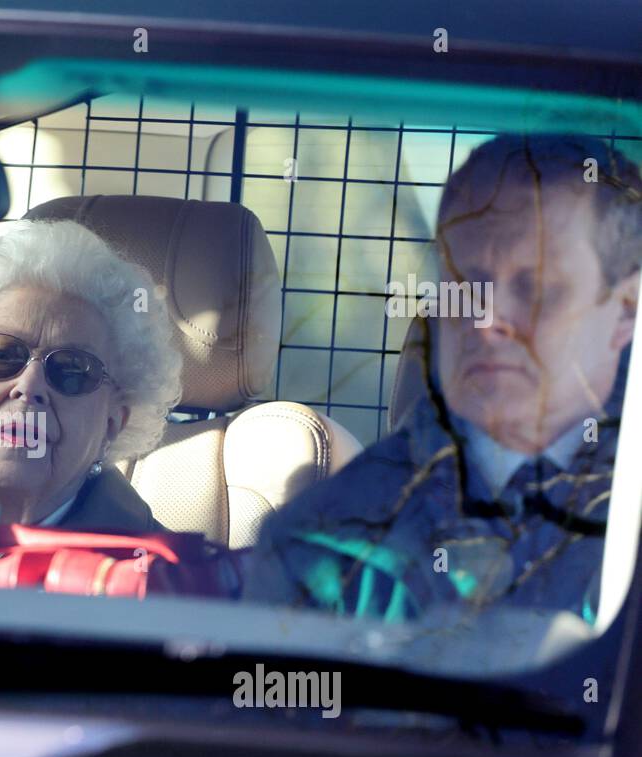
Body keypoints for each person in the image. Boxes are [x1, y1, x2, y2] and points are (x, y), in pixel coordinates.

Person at [243, 134, 640, 623]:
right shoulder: (319, 548)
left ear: (624, 311)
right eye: (466, 284)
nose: (486, 317)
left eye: (535, 287)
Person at [0, 218, 182, 533]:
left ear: (112, 423)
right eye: (1, 354)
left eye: (72, 370)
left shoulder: (161, 574)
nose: (29, 385)